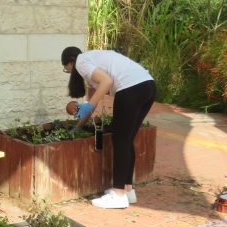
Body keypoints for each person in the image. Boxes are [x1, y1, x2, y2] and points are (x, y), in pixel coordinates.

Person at [62, 46, 156, 209]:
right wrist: (79, 126)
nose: (69, 72)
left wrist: (85, 107)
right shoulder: (93, 61)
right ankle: (127, 190)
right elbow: (93, 102)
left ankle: (118, 195)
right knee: (127, 140)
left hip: (130, 88)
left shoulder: (81, 62)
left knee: (120, 140)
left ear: (70, 62)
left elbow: (107, 82)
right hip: (148, 86)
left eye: (66, 68)